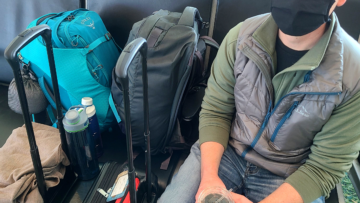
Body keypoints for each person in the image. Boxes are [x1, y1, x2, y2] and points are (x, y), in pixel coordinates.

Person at [158, 0, 360, 202]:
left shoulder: (354, 76)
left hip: (290, 174)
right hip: (227, 150)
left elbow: (323, 168)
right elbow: (216, 111)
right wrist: (209, 179)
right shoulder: (240, 38)